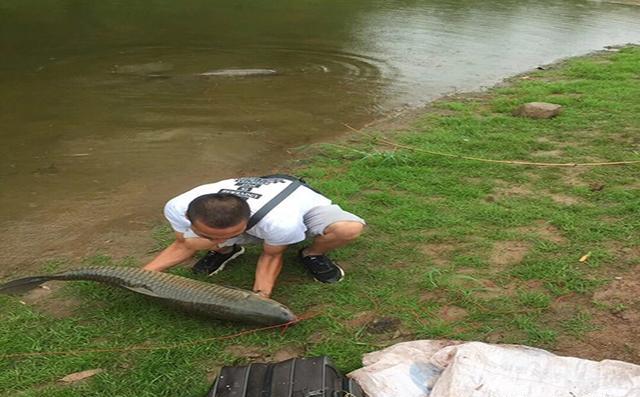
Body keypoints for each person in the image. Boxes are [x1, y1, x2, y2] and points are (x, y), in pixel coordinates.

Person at [143, 175, 365, 298]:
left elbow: (270, 256)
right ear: (188, 217)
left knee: (348, 228)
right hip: (255, 211)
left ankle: (312, 254)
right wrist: (144, 275)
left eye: (231, 236)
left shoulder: (280, 220)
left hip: (300, 204)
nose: (215, 238)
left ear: (247, 222)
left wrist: (260, 296)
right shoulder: (177, 206)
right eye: (209, 235)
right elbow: (182, 243)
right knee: (193, 241)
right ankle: (227, 251)